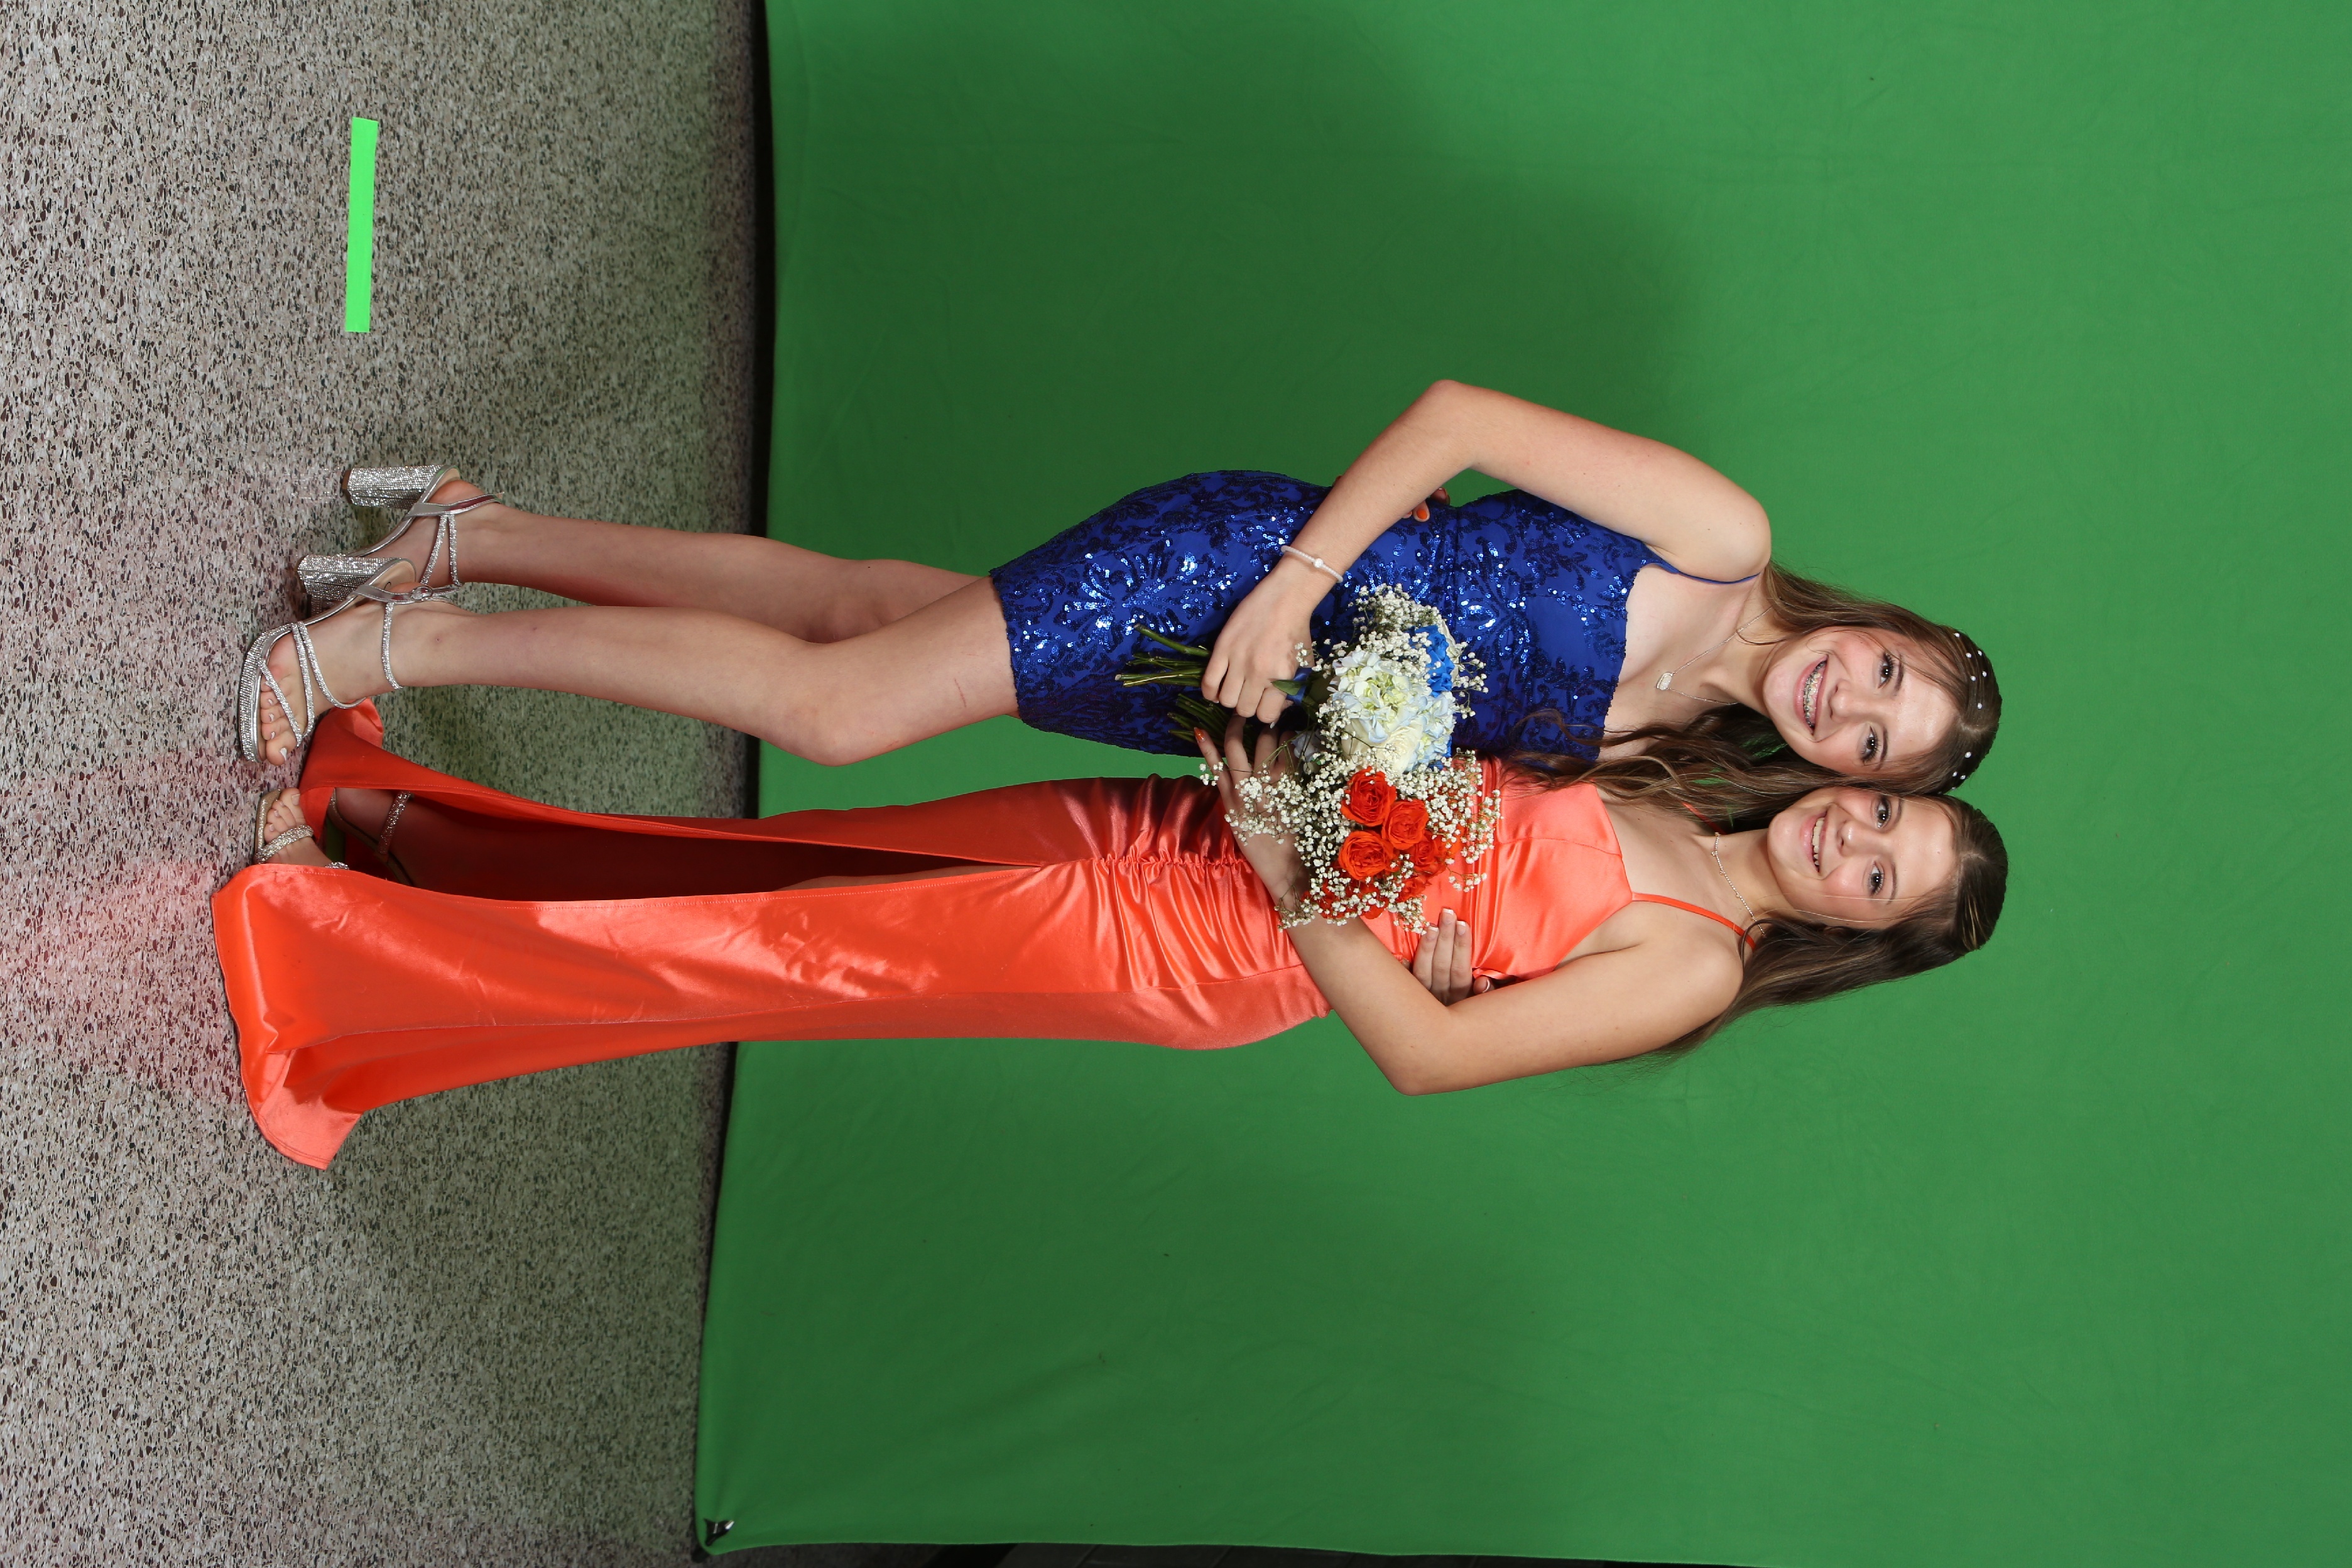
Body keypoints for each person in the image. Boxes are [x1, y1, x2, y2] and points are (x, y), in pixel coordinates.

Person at [218, 704, 2005, 1169]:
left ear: (1861, 938)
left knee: (775, 961)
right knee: (801, 870)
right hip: (1181, 825)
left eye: (1880, 876)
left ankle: (331, 975)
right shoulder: (1676, 777)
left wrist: (1290, 862)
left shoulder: (1696, 960)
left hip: (1198, 944)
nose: (1851, 836)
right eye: (1883, 810)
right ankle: (410, 836)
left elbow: (1426, 1051)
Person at [239, 382, 2001, 794]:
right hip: (1247, 568)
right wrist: (1296, 586)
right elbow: (1459, 419)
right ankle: (402, 642)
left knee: (857, 614)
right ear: (1879, 629)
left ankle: (475, 533)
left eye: (1872, 741)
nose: (1848, 704)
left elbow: (1432, 763)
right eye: (1883, 675)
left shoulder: (1661, 755)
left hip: (1224, 696)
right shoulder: (1724, 538)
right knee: (842, 715)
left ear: (1838, 770)